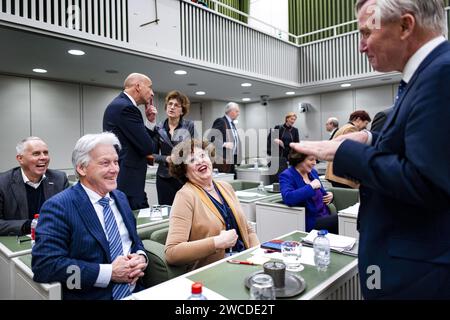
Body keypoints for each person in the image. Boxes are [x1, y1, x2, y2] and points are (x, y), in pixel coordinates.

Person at [291, 0, 450, 299]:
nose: (361, 46)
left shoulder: (441, 74)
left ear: (405, 26)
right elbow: (420, 150)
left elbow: (428, 181)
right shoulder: (423, 77)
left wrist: (342, 153)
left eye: (366, 32)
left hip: (419, 276)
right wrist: (369, 140)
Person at [32, 133, 148, 300]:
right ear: (82, 168)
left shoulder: (120, 198)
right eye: (105, 163)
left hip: (136, 292)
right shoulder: (59, 207)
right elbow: (45, 266)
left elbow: (134, 241)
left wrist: (141, 257)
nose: (115, 169)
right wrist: (109, 273)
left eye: (116, 162)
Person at [165, 139, 259, 270]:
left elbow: (248, 230)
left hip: (245, 263)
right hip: (214, 272)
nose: (200, 161)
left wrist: (257, 256)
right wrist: (217, 242)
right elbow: (172, 253)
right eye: (192, 160)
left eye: (203, 155)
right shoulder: (185, 196)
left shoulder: (225, 187)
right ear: (184, 171)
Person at [103, 73, 158, 210]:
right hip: (128, 185)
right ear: (138, 86)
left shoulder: (118, 104)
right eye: (150, 87)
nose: (152, 93)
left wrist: (150, 123)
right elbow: (147, 147)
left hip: (126, 181)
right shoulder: (127, 108)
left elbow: (137, 141)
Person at [0, 137, 68, 236]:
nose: (43, 157)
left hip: (54, 238)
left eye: (45, 153)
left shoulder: (59, 179)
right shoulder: (3, 183)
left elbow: (70, 214)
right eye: (36, 154)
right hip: (19, 244)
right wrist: (29, 225)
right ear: (20, 159)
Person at [152, 90, 195, 205]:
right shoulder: (158, 128)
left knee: (185, 209)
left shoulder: (189, 126)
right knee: (167, 211)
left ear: (182, 110)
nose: (172, 107)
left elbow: (194, 149)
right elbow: (152, 155)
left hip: (183, 176)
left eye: (176, 105)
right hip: (163, 177)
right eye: (170, 104)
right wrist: (166, 159)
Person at [279, 150, 337, 234]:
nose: (314, 163)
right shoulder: (287, 175)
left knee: (343, 218)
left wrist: (330, 196)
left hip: (325, 215)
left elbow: (321, 193)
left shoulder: (313, 172)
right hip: (310, 221)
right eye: (311, 160)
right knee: (340, 219)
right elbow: (288, 198)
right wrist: (311, 186)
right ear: (299, 159)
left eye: (315, 160)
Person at [325, 110, 371, 188]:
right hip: (342, 177)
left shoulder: (344, 127)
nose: (365, 126)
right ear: (358, 119)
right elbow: (353, 152)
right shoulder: (351, 129)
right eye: (365, 123)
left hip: (335, 174)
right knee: (348, 199)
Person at [267, 112, 300, 183]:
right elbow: (270, 138)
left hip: (289, 157)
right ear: (287, 119)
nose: (293, 121)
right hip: (278, 157)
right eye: (291, 119)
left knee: (288, 178)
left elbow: (297, 144)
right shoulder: (278, 127)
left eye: (294, 119)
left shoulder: (295, 130)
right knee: (278, 177)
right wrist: (276, 139)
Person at [210, 102, 241, 174]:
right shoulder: (221, 121)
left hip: (232, 160)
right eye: (237, 111)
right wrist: (224, 144)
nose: (238, 113)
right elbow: (211, 138)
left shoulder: (232, 123)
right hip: (223, 160)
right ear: (230, 111)